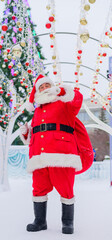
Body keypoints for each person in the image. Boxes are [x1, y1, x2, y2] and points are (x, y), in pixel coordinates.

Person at [20, 74, 93, 234]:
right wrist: (26, 133)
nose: (45, 89)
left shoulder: (65, 103)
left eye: (47, 85)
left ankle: (68, 223)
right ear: (37, 92)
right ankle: (40, 221)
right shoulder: (37, 112)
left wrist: (63, 90)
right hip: (39, 156)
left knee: (66, 188)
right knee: (38, 189)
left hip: (62, 154)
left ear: (53, 87)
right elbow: (35, 135)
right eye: (41, 87)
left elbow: (77, 99)